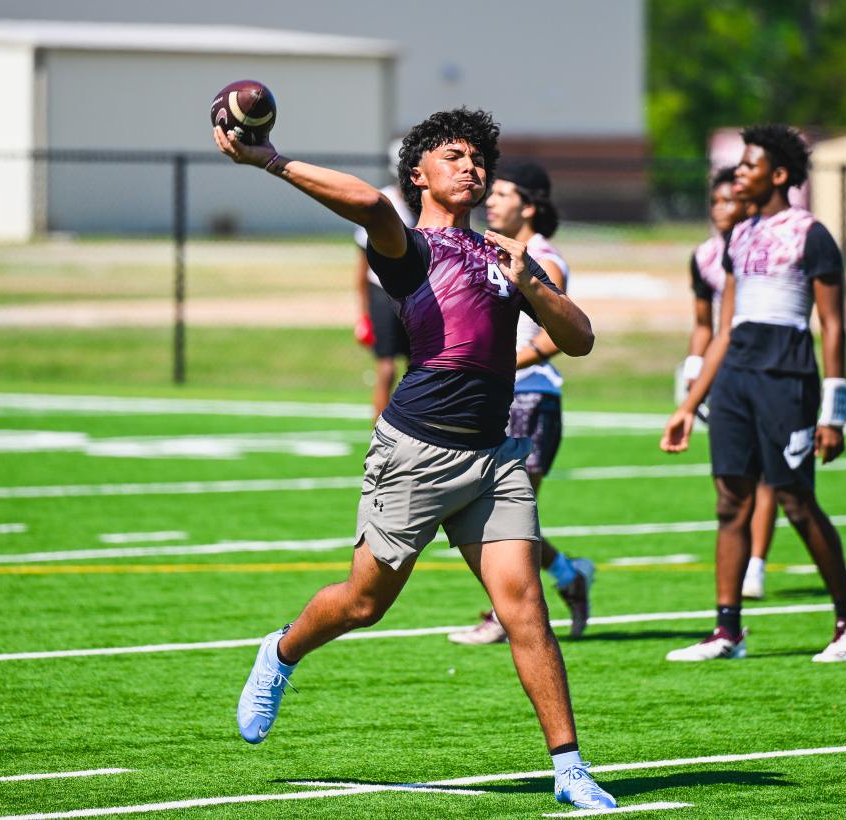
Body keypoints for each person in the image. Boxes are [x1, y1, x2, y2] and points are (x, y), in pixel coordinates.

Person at [214, 107, 616, 810]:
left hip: (493, 457)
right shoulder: (409, 245)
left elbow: (579, 340)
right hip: (418, 451)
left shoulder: (506, 254)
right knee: (364, 604)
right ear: (419, 174)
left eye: (477, 159)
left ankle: (570, 769)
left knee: (526, 611)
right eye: (453, 156)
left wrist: (534, 285)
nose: (471, 167)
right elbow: (369, 202)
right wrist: (269, 160)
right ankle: (279, 654)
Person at [660, 124, 846, 663]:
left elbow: (833, 326)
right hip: (735, 378)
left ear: (778, 175)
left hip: (786, 377)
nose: (740, 173)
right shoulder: (739, 236)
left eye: (750, 165)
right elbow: (726, 328)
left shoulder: (811, 233)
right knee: (730, 500)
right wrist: (689, 404)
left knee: (796, 500)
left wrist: (835, 412)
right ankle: (727, 630)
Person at [448, 161, 595, 645]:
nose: (491, 199)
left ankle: (503, 614)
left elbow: (563, 333)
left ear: (529, 206)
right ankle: (569, 575)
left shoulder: (544, 259)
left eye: (504, 193)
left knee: (507, 515)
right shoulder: (491, 249)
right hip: (499, 395)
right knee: (485, 511)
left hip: (531, 397)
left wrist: (508, 360)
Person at [679, 167, 777, 601]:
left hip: (763, 363)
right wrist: (694, 366)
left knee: (767, 473)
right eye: (715, 201)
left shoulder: (766, 249)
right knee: (732, 474)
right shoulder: (703, 256)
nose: (720, 209)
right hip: (722, 367)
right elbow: (705, 322)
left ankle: (756, 563)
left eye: (729, 201)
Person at [352, 140, 416, 422]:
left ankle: (415, 432)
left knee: (418, 370)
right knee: (386, 369)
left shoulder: (425, 206)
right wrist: (363, 315)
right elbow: (361, 268)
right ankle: (380, 437)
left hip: (415, 294)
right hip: (383, 293)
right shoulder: (380, 203)